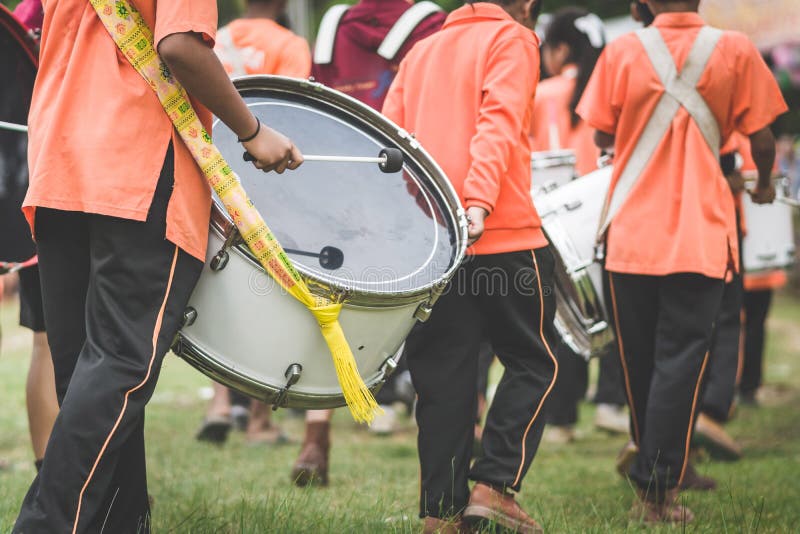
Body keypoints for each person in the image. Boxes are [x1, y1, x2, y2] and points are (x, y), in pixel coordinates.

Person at [12, 1, 302, 531]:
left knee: (88, 379)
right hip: (136, 168)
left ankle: (123, 522)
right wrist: (251, 129)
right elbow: (179, 44)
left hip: (57, 166)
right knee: (120, 367)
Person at [578, 0, 787, 524]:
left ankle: (656, 466)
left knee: (640, 363)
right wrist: (761, 184)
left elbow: (602, 134)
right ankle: (658, 489)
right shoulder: (735, 49)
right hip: (700, 234)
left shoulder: (623, 49)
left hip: (629, 235)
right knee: (682, 361)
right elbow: (761, 138)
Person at [384, 0, 554, 532]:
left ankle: (439, 514)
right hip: (499, 233)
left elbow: (389, 143)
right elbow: (498, 121)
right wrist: (476, 203)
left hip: (434, 244)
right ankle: (494, 485)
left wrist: (411, 225)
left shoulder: (421, 50)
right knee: (534, 363)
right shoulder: (514, 39)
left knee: (442, 380)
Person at [290, 0, 447, 488]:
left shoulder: (332, 24)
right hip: (407, 189)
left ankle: (315, 437)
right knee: (433, 319)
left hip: (337, 187)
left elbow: (313, 107)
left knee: (330, 306)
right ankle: (453, 433)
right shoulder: (430, 24)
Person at [195, 0, 311, 448]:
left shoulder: (213, 37)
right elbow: (294, 111)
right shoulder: (290, 43)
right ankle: (260, 420)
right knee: (269, 287)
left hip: (207, 171)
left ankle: (219, 403)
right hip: (263, 175)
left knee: (214, 280)